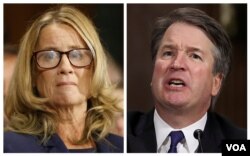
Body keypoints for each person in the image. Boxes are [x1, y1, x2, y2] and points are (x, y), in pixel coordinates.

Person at [4, 5, 123, 153]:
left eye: (77, 55)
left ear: (95, 68)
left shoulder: (123, 147)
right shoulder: (11, 147)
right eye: (50, 56)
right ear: (32, 73)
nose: (65, 67)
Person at [127, 7, 246, 153]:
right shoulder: (121, 135)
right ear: (154, 73)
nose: (177, 64)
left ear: (216, 83)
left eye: (195, 56)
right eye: (168, 53)